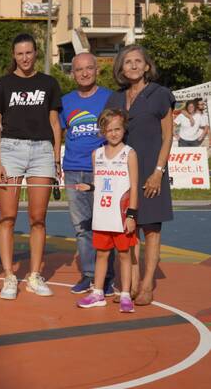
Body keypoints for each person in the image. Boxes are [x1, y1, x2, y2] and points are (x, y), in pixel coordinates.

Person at [0, 33, 62, 300]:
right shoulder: (2, 85)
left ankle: (33, 275)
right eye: (20, 54)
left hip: (42, 151)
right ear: (13, 56)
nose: (25, 58)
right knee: (7, 218)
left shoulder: (49, 83)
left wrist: (56, 159)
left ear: (36, 53)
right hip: (10, 151)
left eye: (29, 53)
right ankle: (9, 275)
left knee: (37, 219)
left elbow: (55, 124)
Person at [106, 44, 174, 306]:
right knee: (129, 231)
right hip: (123, 175)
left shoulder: (161, 94)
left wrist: (158, 171)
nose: (133, 65)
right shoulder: (114, 98)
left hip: (151, 171)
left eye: (138, 61)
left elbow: (168, 136)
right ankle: (131, 283)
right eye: (127, 62)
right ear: (121, 68)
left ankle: (147, 285)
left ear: (147, 66)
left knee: (151, 231)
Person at [59, 52, 115, 296]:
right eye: (79, 69)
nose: (84, 73)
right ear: (72, 73)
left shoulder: (110, 98)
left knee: (106, 226)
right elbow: (57, 132)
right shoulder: (66, 101)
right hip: (73, 170)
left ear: (97, 70)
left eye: (88, 68)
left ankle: (108, 277)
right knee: (82, 228)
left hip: (102, 171)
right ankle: (89, 274)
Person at [76, 109, 138, 313]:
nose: (113, 133)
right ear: (102, 131)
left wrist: (131, 215)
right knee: (101, 254)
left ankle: (126, 294)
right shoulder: (97, 154)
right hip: (102, 215)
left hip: (121, 216)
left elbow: (134, 187)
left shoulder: (130, 153)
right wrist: (90, 187)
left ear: (124, 129)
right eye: (109, 129)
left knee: (124, 255)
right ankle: (98, 293)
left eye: (117, 129)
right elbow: (99, 182)